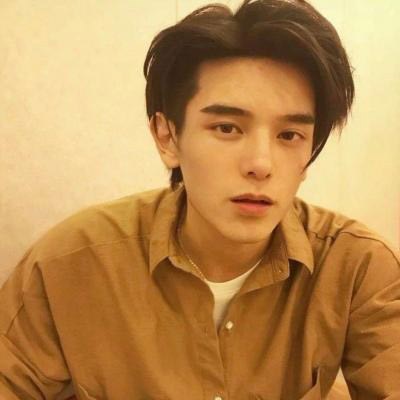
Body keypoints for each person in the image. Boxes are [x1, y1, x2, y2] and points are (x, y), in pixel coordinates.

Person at [0, 0, 399, 398]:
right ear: (167, 136)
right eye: (227, 128)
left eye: (289, 135)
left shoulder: (357, 266)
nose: (261, 164)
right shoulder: (71, 263)